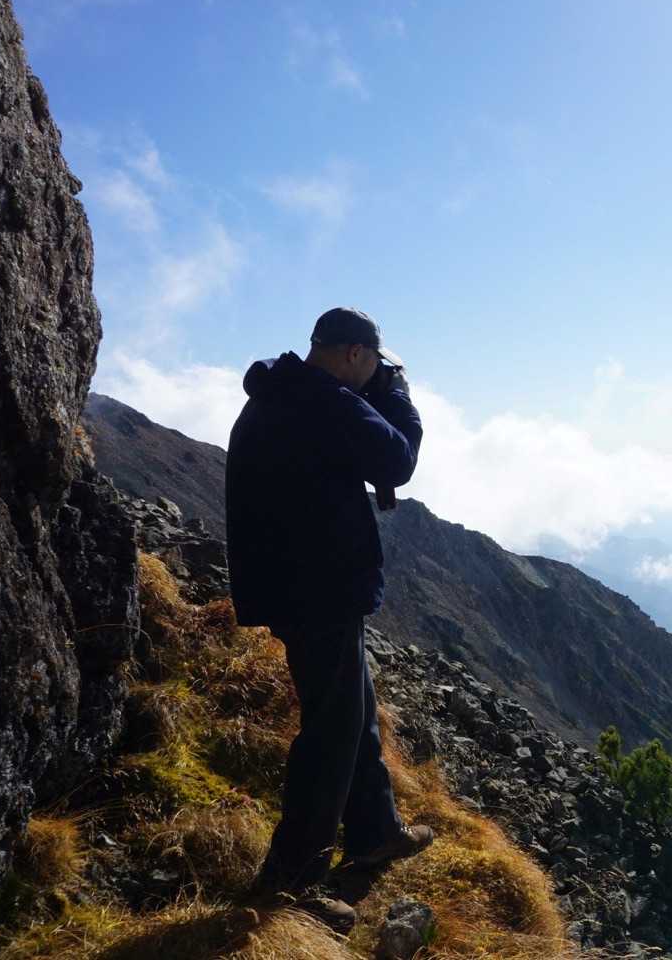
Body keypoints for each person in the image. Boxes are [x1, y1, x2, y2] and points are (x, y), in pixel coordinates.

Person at [225, 307, 432, 933]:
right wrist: (398, 396)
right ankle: (291, 880)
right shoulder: (326, 401)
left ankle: (376, 830)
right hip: (320, 589)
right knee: (330, 732)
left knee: (353, 711)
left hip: (291, 584)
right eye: (374, 364)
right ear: (352, 354)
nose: (375, 374)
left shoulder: (279, 393)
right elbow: (397, 461)